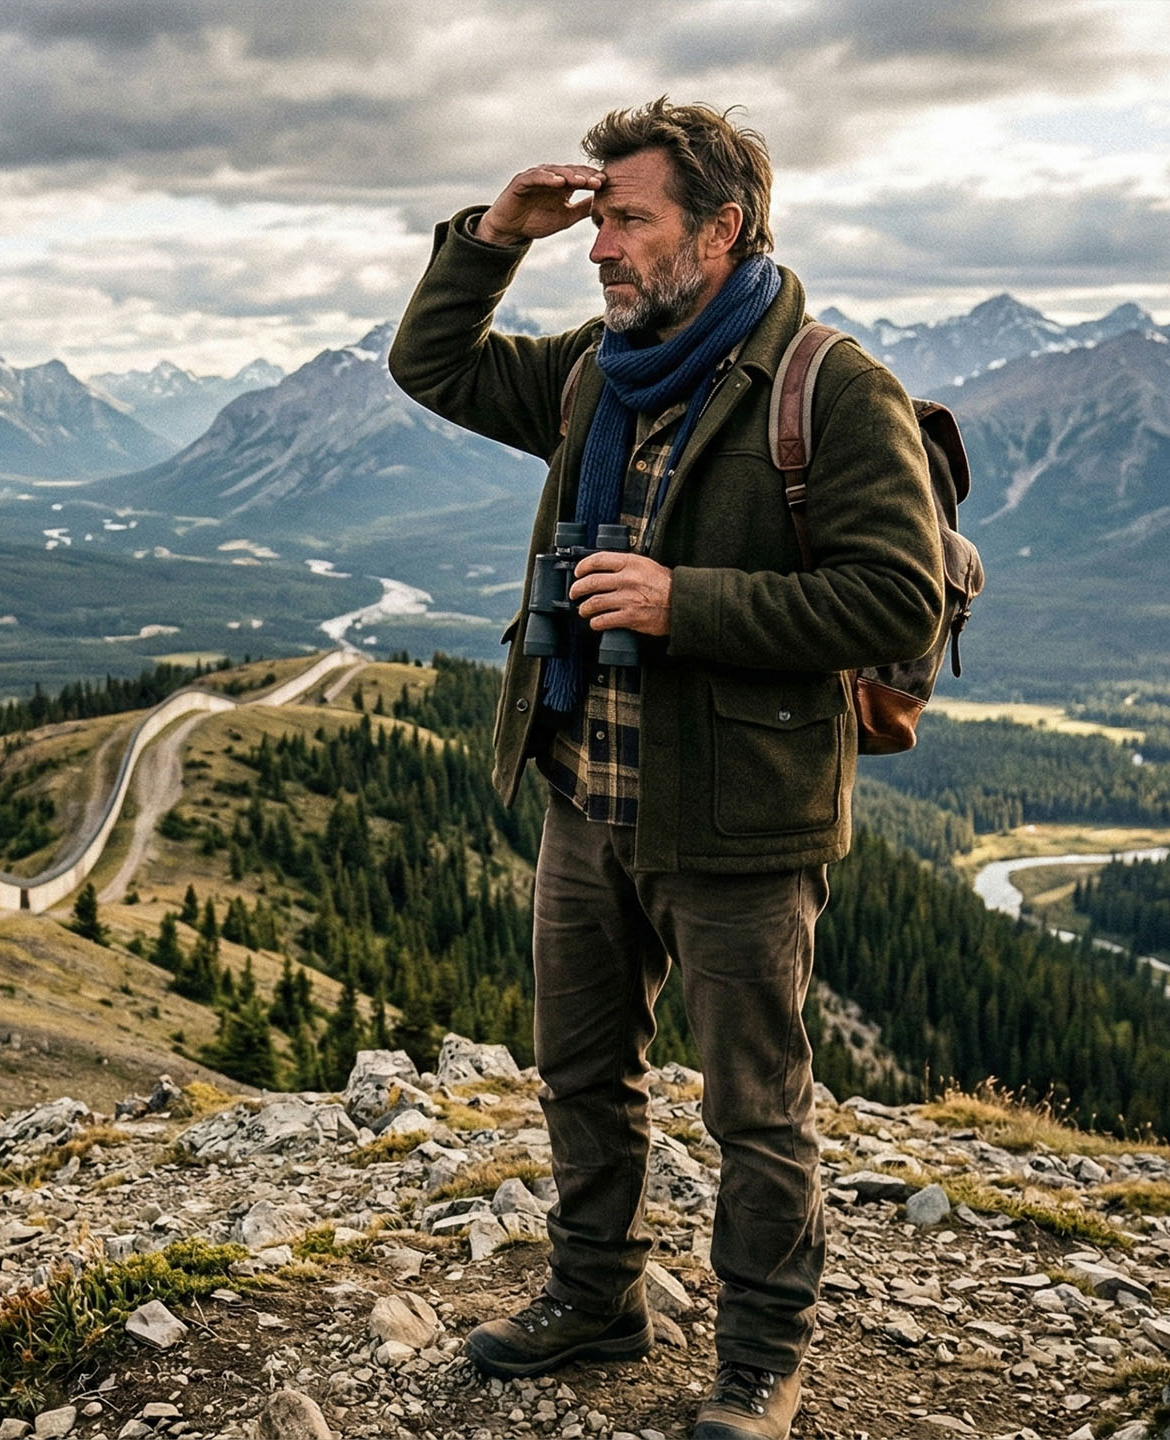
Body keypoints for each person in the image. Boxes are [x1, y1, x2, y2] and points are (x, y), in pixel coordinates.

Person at [387, 98, 946, 1440]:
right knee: (582, 1072)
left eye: (629, 221)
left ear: (722, 227)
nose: (603, 249)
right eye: (597, 222)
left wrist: (683, 600)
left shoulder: (827, 384)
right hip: (590, 795)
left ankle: (761, 1363)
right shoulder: (599, 368)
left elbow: (897, 602)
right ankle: (596, 1298)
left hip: (742, 818)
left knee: (757, 1110)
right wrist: (490, 237)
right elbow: (435, 367)